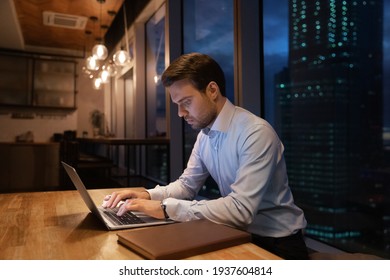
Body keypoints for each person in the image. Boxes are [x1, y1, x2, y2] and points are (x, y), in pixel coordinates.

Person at [103, 52, 309, 260]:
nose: (180, 113)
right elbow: (186, 186)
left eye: (186, 102)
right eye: (177, 104)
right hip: (237, 233)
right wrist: (147, 195)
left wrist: (164, 208)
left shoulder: (255, 133)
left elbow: (240, 210)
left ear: (212, 90)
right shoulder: (205, 135)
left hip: (278, 242)